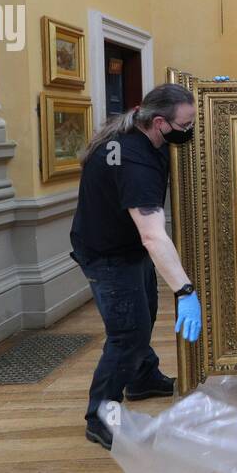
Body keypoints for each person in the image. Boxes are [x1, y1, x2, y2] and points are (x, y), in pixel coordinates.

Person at [70, 83, 204, 451]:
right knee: (127, 334)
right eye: (186, 124)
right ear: (159, 122)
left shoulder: (141, 135)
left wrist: (212, 95)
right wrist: (185, 291)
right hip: (108, 255)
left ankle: (142, 378)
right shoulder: (134, 161)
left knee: (142, 312)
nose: (189, 130)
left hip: (123, 247)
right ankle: (100, 416)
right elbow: (153, 236)